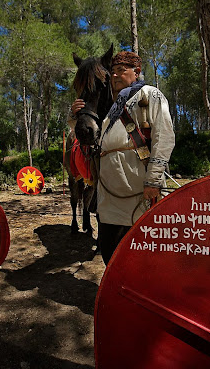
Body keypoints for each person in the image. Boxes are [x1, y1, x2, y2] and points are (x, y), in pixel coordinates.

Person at [72, 51, 175, 264]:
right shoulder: (112, 109)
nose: (115, 76)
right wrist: (74, 118)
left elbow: (163, 137)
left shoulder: (150, 94)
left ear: (136, 72)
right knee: (111, 253)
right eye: (113, 72)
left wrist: (154, 179)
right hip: (110, 198)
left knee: (144, 253)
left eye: (121, 71)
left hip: (140, 190)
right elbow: (94, 139)